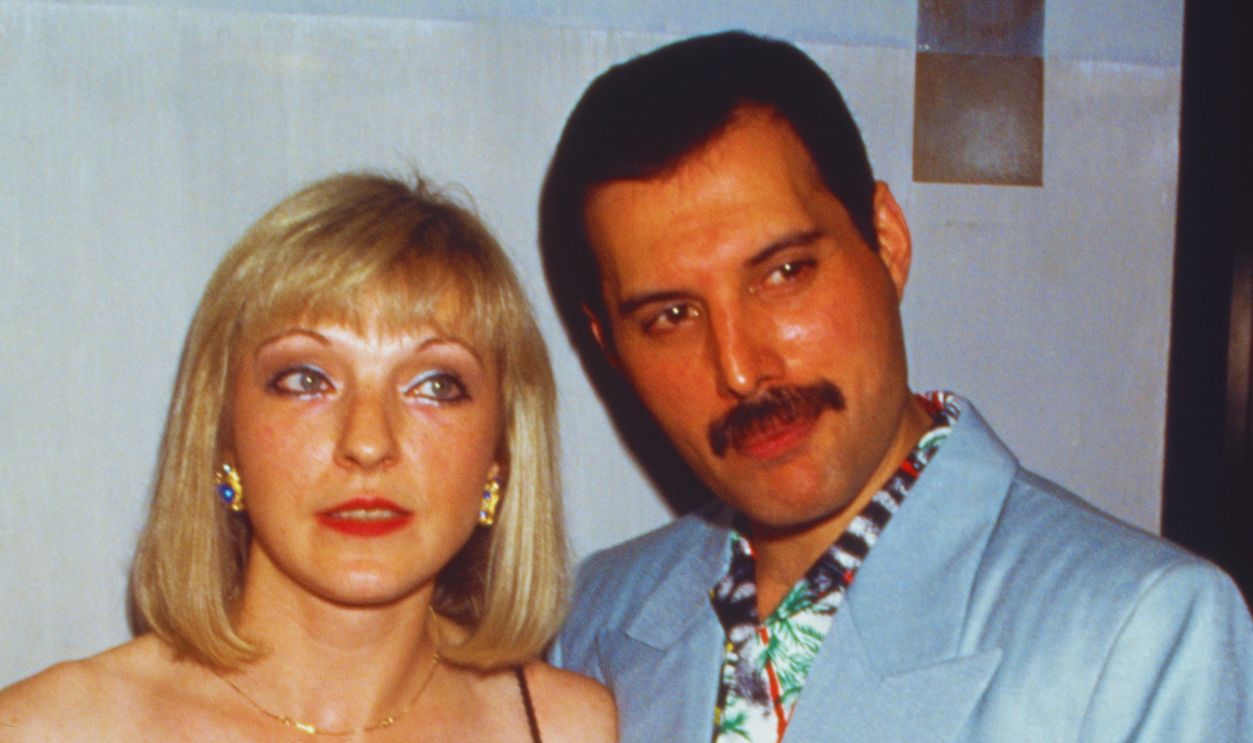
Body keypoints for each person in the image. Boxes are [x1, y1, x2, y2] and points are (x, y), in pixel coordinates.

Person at [540, 31, 1253, 742]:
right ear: (611, 348)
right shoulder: (594, 619)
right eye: (671, 316)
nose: (740, 368)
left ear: (886, 242)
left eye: (784, 273)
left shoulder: (1139, 630)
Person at [0, 172, 616, 742]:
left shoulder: (571, 726)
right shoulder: (47, 728)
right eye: (305, 380)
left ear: (500, 456)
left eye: (435, 385)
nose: (368, 443)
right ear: (222, 436)